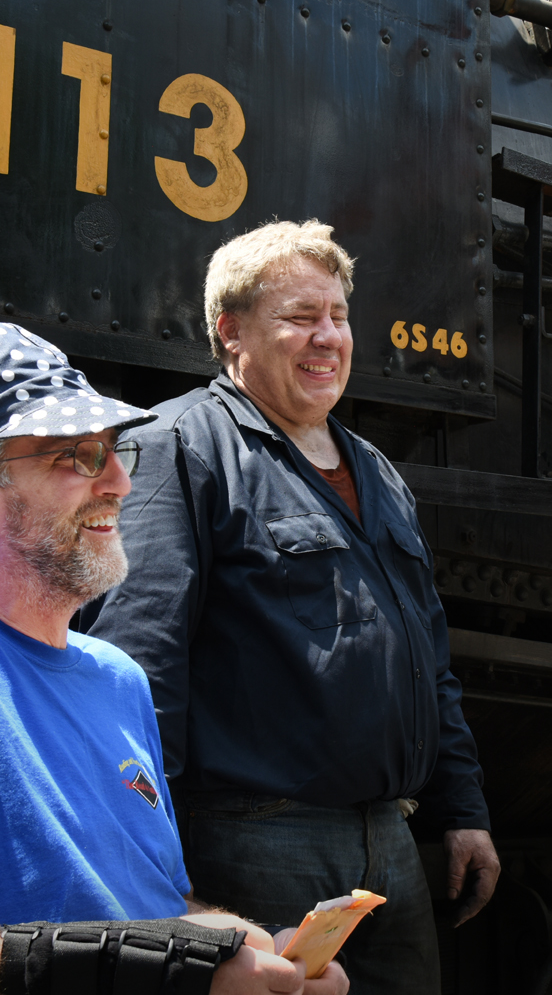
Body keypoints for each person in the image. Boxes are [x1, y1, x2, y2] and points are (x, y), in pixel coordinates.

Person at [0, 318, 347, 995]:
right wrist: (154, 968)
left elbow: (139, 913)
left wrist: (236, 944)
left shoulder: (120, 680)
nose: (118, 484)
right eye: (73, 457)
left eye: (111, 452)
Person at [82, 221, 501, 994]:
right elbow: (141, 662)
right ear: (230, 331)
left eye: (338, 316)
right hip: (254, 841)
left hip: (390, 845)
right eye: (301, 316)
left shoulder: (376, 470)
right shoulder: (179, 447)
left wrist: (461, 809)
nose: (328, 337)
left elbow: (427, 659)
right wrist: (148, 851)